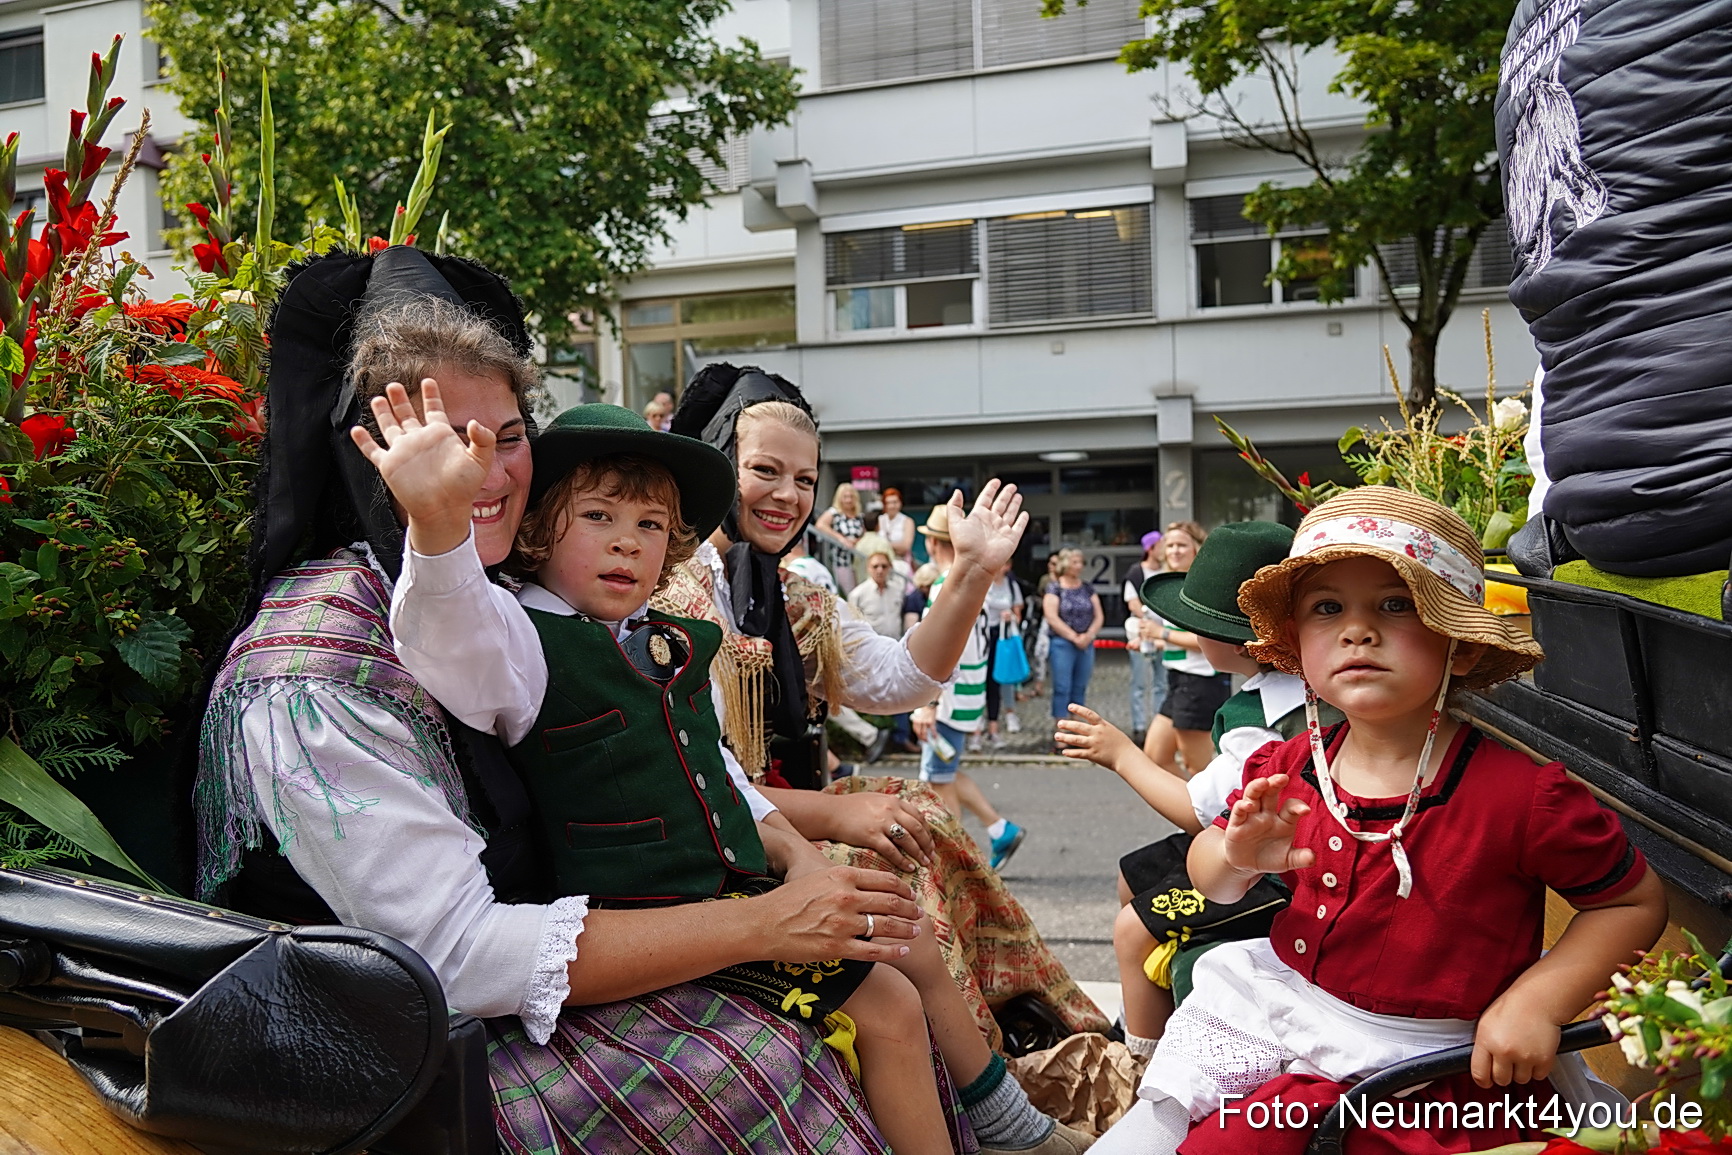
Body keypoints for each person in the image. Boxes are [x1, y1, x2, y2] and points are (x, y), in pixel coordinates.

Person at [194, 248, 943, 1153]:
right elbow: (454, 956)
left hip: (565, 942)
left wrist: (792, 855)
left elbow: (687, 751)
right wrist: (760, 921)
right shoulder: (309, 667)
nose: (483, 470)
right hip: (403, 1050)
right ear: (370, 444)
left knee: (888, 954)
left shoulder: (518, 593)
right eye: (443, 437)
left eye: (508, 436)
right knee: (751, 1060)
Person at [370, 396, 1077, 1155]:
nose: (628, 542)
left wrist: (800, 859)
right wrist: (437, 526)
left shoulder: (671, 635)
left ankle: (1003, 1121)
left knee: (906, 935)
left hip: (725, 885)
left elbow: (721, 771)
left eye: (650, 526)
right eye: (599, 517)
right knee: (888, 1006)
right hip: (641, 917)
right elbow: (447, 636)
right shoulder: (520, 637)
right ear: (538, 528)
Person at [1090, 487, 1668, 1155]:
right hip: (1282, 1017)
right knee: (1179, 1132)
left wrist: (1536, 1001)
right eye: (1327, 608)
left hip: (1431, 1068)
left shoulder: (1524, 796)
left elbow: (1631, 901)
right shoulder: (1286, 765)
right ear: (1295, 645)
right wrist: (1236, 855)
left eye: (1396, 605)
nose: (1356, 630)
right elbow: (1211, 879)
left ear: (1461, 646)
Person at [654, 362, 1109, 1061]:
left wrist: (971, 573)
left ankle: (1027, 1034)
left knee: (921, 817)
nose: (787, 496)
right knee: (898, 867)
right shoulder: (668, 590)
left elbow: (902, 678)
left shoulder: (793, 593)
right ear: (719, 467)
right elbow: (700, 777)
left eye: (805, 479)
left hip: (774, 818)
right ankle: (976, 1075)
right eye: (765, 471)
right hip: (713, 848)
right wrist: (839, 815)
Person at [1058, 521, 1335, 1051]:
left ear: (1239, 643)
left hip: (1277, 872)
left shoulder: (1260, 718)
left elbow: (1196, 811)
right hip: (1274, 845)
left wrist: (1122, 755)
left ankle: (1140, 1057)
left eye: (1199, 626)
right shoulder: (1296, 691)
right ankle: (1139, 1013)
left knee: (1130, 931)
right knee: (1132, 875)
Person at [912, 504, 1029, 870]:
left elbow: (942, 650)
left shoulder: (943, 586)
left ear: (932, 543)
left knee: (938, 781)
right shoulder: (975, 583)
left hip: (947, 698)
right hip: (966, 695)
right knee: (943, 773)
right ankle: (998, 829)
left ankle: (958, 865)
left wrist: (928, 703)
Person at [1142, 521, 1230, 777]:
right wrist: (1156, 641)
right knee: (1155, 757)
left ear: (1196, 549)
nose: (1174, 551)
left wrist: (1162, 634)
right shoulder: (1175, 585)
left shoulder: (1205, 587)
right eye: (1169, 545)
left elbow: (1210, 641)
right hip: (1178, 680)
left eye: (1181, 545)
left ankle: (1211, 804)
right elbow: (1183, 641)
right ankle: (1191, 801)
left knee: (1199, 769)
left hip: (1200, 683)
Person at [1043, 548, 1103, 752]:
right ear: (1065, 564)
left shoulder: (1087, 588)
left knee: (1080, 687)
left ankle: (1076, 730)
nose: (1079, 566)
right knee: (1062, 687)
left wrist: (1089, 635)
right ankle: (1061, 733)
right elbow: (1052, 617)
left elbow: (1099, 615)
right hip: (1062, 643)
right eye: (1075, 562)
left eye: (1081, 562)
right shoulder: (1054, 588)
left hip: (1085, 644)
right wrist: (1073, 636)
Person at [1121, 530, 1166, 745]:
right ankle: (1139, 727)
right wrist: (1148, 622)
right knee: (1139, 682)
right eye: (1161, 545)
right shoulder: (1136, 572)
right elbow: (1132, 603)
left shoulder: (1167, 571)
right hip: (1141, 633)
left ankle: (1159, 725)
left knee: (1162, 682)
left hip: (1164, 634)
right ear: (1150, 548)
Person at [977, 558, 1025, 749]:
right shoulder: (983, 582)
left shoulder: (1011, 585)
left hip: (1003, 636)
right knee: (981, 678)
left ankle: (1000, 720)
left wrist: (1011, 617)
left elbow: (1018, 614)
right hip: (983, 635)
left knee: (1000, 678)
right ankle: (978, 721)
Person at [848, 533, 907, 639]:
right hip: (871, 644)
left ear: (890, 567)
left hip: (895, 643)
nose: (880, 570)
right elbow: (853, 624)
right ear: (868, 568)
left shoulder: (898, 590)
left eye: (884, 566)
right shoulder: (857, 594)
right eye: (875, 566)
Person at [818, 481, 867, 546]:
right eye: (845, 497)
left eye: (851, 496)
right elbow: (820, 525)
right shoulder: (834, 512)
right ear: (840, 498)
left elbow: (865, 533)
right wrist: (840, 538)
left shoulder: (860, 516)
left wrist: (857, 541)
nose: (849, 500)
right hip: (839, 549)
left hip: (856, 549)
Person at [879, 486, 916, 565]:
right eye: (889, 503)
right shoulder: (880, 520)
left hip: (901, 562)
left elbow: (906, 546)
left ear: (900, 503)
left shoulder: (907, 521)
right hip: (881, 563)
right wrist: (896, 546)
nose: (892, 506)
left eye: (895, 502)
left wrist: (884, 545)